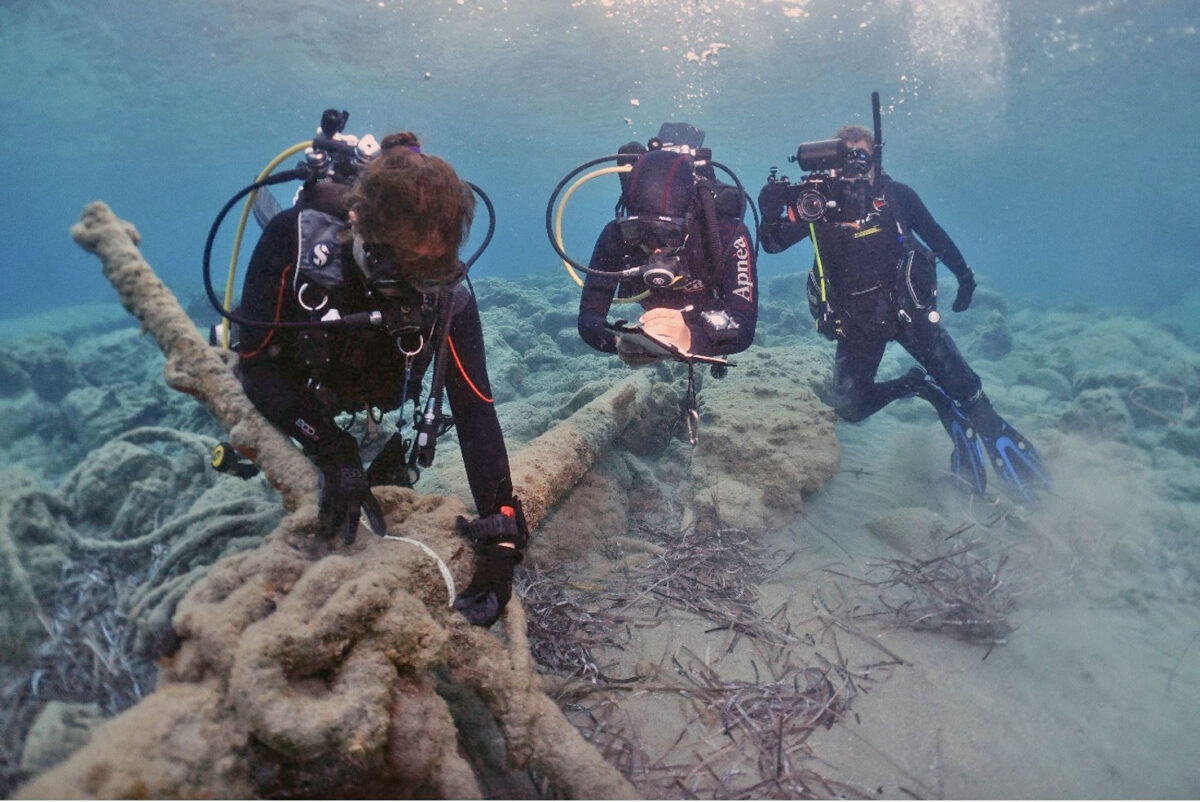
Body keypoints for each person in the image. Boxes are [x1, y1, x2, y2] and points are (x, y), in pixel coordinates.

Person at [234, 131, 525, 626]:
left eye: (431, 269)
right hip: (310, 390)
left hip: (380, 394)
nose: (414, 288)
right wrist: (330, 446)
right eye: (402, 267)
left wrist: (501, 534)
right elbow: (256, 368)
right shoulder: (293, 241)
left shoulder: (446, 289)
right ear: (357, 224)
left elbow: (475, 411)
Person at [758, 125, 1047, 501]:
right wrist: (769, 212)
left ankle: (993, 436)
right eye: (844, 158)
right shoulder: (820, 204)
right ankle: (915, 384)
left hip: (909, 316)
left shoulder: (896, 196)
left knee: (970, 394)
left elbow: (936, 236)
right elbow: (773, 244)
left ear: (875, 157)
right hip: (858, 325)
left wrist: (965, 277)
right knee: (850, 407)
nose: (853, 167)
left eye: (860, 156)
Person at [577, 141, 758, 368]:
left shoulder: (725, 234)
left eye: (667, 234)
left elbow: (744, 328)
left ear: (690, 217)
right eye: (640, 231)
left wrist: (692, 339)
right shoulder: (616, 235)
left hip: (708, 317)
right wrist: (617, 342)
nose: (655, 248)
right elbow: (588, 319)